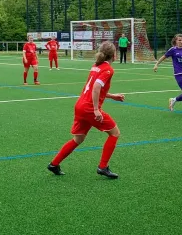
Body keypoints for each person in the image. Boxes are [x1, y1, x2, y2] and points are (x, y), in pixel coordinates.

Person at [47, 41, 124, 179]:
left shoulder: (95, 66)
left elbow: (92, 89)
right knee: (115, 133)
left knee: (78, 139)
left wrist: (112, 96)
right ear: (114, 54)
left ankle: (54, 164)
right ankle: (103, 167)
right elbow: (95, 88)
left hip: (80, 105)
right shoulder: (108, 69)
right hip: (89, 108)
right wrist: (96, 109)